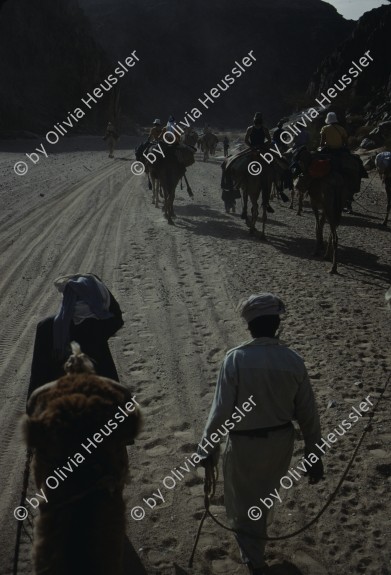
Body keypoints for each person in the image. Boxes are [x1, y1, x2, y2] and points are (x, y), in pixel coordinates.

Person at [198, 293, 324, 574]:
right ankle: (254, 550)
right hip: (280, 444)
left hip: (244, 445)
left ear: (250, 326)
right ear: (276, 324)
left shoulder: (235, 359)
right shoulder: (293, 360)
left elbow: (220, 411)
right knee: (265, 496)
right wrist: (314, 456)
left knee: (242, 504)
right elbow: (308, 415)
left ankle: (253, 559)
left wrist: (207, 448)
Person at [28, 273, 124, 400]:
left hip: (59, 400)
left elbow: (37, 373)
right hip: (99, 398)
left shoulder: (46, 327)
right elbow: (116, 315)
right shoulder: (100, 324)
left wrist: (32, 409)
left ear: (66, 298)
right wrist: (94, 279)